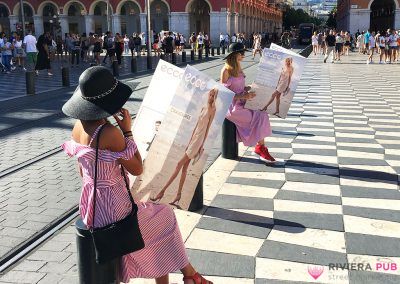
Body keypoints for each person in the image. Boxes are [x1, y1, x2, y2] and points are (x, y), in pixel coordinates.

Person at [61, 66, 213, 284]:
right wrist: (127, 130)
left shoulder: (78, 127)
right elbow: (137, 167)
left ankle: (189, 274)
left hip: (91, 205)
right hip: (115, 209)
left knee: (155, 227)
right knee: (164, 216)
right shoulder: (110, 133)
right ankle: (189, 274)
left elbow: (82, 169)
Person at [151, 89, 218, 205]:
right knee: (184, 169)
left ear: (215, 97)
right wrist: (189, 141)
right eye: (210, 94)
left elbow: (207, 128)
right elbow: (196, 126)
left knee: (179, 165)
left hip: (199, 141)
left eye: (213, 95)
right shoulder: (204, 107)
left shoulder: (213, 110)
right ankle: (178, 195)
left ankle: (161, 192)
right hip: (193, 139)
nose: (211, 97)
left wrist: (201, 145)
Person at [221, 42, 275, 162]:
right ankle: (260, 148)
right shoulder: (226, 70)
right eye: (242, 53)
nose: (244, 55)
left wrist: (250, 88)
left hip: (243, 102)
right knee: (258, 116)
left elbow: (241, 87)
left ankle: (260, 147)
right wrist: (243, 96)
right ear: (235, 55)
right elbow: (223, 94)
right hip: (233, 107)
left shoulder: (238, 67)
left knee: (262, 113)